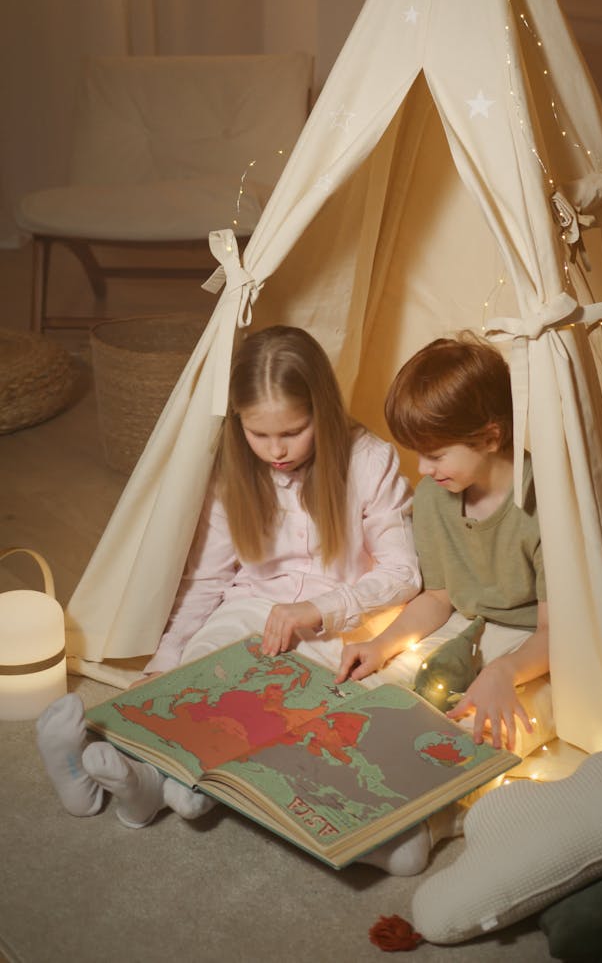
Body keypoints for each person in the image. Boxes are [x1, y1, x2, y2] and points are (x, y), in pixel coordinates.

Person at [37, 325, 428, 871]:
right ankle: (126, 784)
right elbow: (206, 579)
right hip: (248, 609)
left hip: (338, 629)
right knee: (197, 691)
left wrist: (319, 609)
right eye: (258, 434)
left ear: (323, 409)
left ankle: (155, 790)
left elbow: (403, 573)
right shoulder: (232, 470)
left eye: (293, 431)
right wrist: (165, 663)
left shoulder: (370, 460)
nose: (276, 451)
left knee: (280, 728)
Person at [337, 333, 549, 755]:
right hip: (467, 628)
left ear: (490, 438)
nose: (422, 468)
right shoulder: (435, 495)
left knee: (480, 739)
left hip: (535, 645)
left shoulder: (542, 501)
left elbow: (556, 630)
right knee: (371, 715)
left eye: (435, 455)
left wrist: (506, 671)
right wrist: (381, 646)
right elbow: (438, 598)